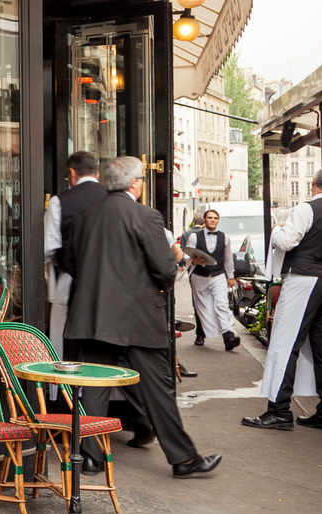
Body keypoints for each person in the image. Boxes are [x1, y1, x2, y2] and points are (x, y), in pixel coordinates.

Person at [65, 156, 221, 478]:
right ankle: (183, 458)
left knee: (95, 386)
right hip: (137, 317)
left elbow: (70, 263)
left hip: (94, 315)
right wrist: (177, 257)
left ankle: (90, 456)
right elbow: (164, 271)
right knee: (158, 388)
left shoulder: (84, 217)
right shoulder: (146, 217)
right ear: (135, 183)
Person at [244, 166, 322, 433]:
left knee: (284, 344)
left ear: (312, 183)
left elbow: (286, 242)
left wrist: (277, 229)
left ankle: (279, 411)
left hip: (303, 280)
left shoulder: (306, 209)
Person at [44, 150, 106, 356]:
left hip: (72, 283)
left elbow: (47, 247)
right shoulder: (116, 199)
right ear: (97, 174)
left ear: (72, 173)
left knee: (63, 345)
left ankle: (63, 389)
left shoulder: (60, 201)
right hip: (111, 287)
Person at [182, 209, 240, 351]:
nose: (212, 220)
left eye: (215, 218)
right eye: (210, 217)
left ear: (218, 220)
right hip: (199, 276)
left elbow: (227, 258)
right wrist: (193, 260)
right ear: (205, 220)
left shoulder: (225, 237)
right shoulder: (195, 237)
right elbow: (185, 255)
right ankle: (201, 334)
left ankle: (228, 336)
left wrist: (231, 276)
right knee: (203, 307)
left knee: (222, 304)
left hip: (218, 275)